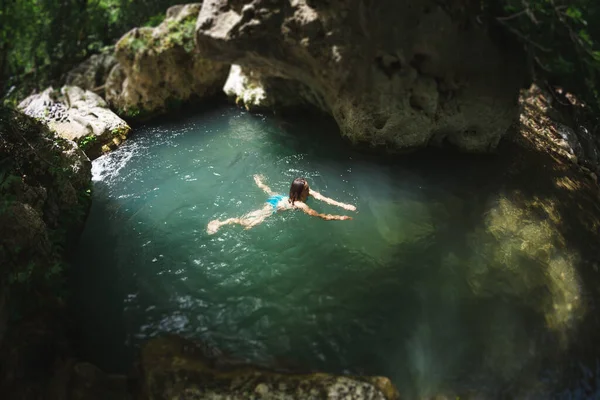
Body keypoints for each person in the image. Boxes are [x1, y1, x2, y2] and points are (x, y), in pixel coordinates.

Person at [207, 175, 356, 234]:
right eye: (306, 189)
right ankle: (221, 223)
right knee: (249, 224)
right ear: (299, 193)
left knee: (271, 192)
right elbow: (318, 215)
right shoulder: (299, 204)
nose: (309, 190)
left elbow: (326, 199)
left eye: (308, 187)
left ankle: (260, 183)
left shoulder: (306, 193)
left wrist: (344, 205)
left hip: (280, 198)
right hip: (275, 206)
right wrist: (339, 217)